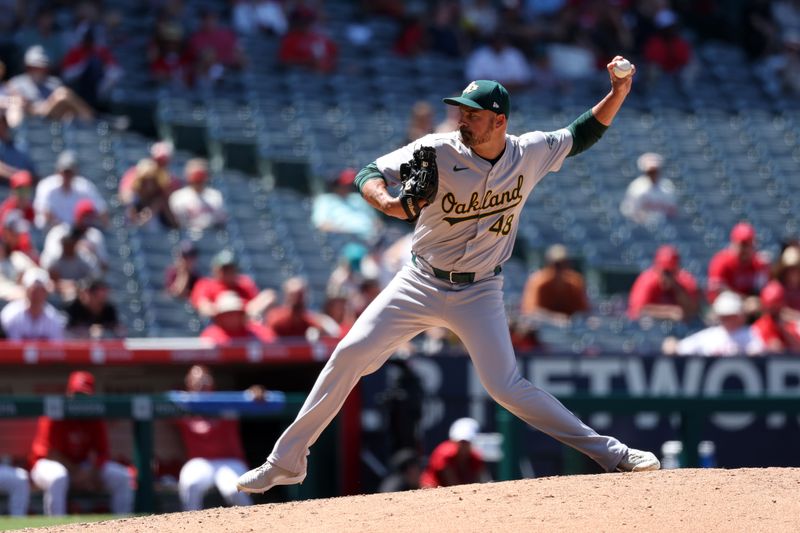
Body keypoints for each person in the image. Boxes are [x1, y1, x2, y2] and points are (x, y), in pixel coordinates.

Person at [236, 61, 661, 495]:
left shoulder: (529, 152)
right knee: (349, 354)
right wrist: (388, 203)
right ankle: (285, 461)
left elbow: (581, 134)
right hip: (419, 281)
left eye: (472, 113)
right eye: (460, 110)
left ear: (499, 121)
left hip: (480, 289)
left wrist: (619, 92)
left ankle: (613, 455)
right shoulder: (437, 149)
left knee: (506, 386)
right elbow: (369, 173)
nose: (462, 118)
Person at [29, 370, 134, 516]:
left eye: (83, 395)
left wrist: (93, 472)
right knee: (58, 476)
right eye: (76, 394)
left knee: (122, 477)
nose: (79, 399)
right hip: (46, 464)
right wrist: (79, 473)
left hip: (82, 467)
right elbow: (51, 454)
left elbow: (102, 452)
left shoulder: (94, 416)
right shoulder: (54, 413)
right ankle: (55, 526)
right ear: (68, 393)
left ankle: (125, 525)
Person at [175, 365, 253, 511]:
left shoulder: (225, 401)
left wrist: (255, 394)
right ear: (188, 383)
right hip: (200, 461)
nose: (201, 384)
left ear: (212, 383)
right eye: (196, 380)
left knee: (233, 490)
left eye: (205, 380)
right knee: (191, 485)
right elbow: (164, 399)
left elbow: (252, 399)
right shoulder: (182, 405)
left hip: (229, 461)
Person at [5, 46, 94, 123]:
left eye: (41, 67)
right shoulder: (17, 82)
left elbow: (62, 104)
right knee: (15, 104)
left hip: (51, 117)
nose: (38, 71)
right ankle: (15, 135)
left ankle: (91, 121)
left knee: (64, 94)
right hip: (28, 115)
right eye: (34, 67)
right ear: (27, 67)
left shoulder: (54, 83)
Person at [664, 291, 765, 357]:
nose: (726, 319)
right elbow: (679, 347)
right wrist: (673, 345)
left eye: (730, 315)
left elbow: (759, 351)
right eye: (723, 316)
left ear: (739, 316)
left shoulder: (750, 333)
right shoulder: (711, 336)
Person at [33, 150, 108, 231]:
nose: (67, 175)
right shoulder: (46, 186)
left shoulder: (84, 186)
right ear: (58, 171)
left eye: (70, 172)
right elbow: (43, 212)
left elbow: (101, 211)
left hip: (78, 233)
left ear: (75, 172)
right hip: (52, 231)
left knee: (94, 236)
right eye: (65, 172)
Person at [627, 245, 700, 322]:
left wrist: (676, 288)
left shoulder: (684, 281)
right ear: (657, 269)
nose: (667, 276)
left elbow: (693, 310)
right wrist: (668, 312)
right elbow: (637, 311)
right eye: (665, 272)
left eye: (672, 272)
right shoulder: (647, 281)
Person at [519, 244, 590, 321]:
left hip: (569, 328)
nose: (560, 269)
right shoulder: (537, 282)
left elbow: (584, 312)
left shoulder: (575, 282)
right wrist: (555, 318)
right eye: (556, 265)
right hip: (543, 327)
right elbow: (529, 311)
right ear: (548, 264)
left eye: (564, 264)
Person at [311, 168, 380, 243]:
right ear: (335, 185)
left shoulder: (357, 198)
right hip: (345, 239)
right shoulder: (325, 200)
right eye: (343, 185)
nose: (347, 187)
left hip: (372, 238)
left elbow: (376, 221)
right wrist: (346, 233)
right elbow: (322, 225)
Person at [40, 199, 108, 275]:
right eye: (86, 218)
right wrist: (76, 247)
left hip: (84, 282)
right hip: (58, 280)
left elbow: (104, 268)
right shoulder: (59, 232)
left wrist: (94, 253)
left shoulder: (94, 235)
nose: (87, 222)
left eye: (90, 218)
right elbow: (48, 263)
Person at [707, 222, 769, 303]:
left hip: (751, 309)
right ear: (733, 243)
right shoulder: (721, 262)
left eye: (749, 245)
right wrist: (746, 301)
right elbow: (716, 292)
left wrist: (766, 271)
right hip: (726, 308)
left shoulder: (758, 263)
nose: (746, 249)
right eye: (743, 245)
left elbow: (764, 291)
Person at [190, 250, 263, 318]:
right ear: (215, 270)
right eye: (224, 269)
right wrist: (227, 310)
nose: (228, 272)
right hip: (220, 323)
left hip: (245, 321)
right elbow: (203, 306)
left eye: (231, 268)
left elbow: (257, 303)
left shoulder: (244, 283)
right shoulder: (205, 284)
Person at [420, 417, 489, 488]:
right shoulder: (444, 454)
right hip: (434, 491)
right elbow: (453, 484)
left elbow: (480, 480)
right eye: (461, 442)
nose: (463, 445)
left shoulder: (475, 457)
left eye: (466, 442)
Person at [0, 268, 65, 341]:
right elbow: (10, 347)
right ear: (26, 289)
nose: (37, 294)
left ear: (46, 291)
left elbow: (56, 349)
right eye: (33, 289)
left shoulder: (54, 318)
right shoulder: (10, 315)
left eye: (40, 289)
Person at [168, 158, 226, 233]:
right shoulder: (178, 196)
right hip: (186, 235)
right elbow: (177, 222)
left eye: (200, 180)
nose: (198, 183)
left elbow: (220, 220)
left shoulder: (215, 196)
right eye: (196, 180)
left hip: (209, 234)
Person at [619, 152, 677, 226]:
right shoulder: (636, 187)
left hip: (664, 226)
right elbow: (628, 210)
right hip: (640, 227)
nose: (653, 174)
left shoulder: (667, 186)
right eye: (650, 172)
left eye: (655, 171)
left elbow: (673, 210)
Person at [200, 291, 274, 345]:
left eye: (235, 313)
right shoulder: (210, 335)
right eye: (227, 314)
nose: (232, 317)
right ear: (220, 317)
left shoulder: (256, 332)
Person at [751, 281, 800, 353]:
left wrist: (784, 330)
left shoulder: (790, 325)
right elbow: (775, 348)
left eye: (776, 306)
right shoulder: (759, 326)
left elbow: (797, 349)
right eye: (771, 307)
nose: (774, 310)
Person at [0, 113, 37, 182]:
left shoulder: (20, 146)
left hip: (21, 189)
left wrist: (23, 177)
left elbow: (34, 175)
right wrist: (19, 176)